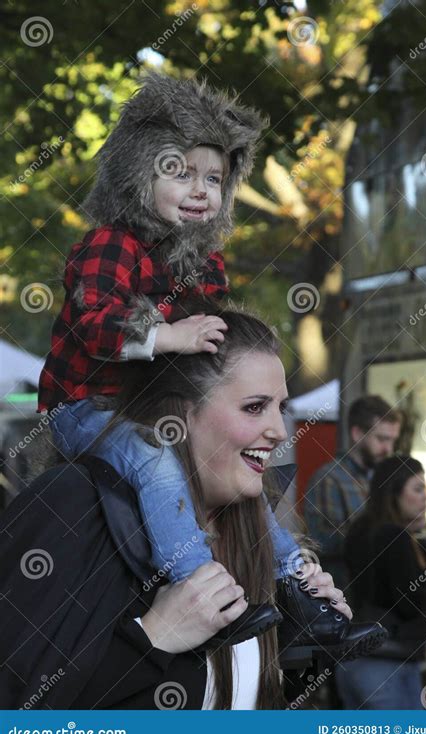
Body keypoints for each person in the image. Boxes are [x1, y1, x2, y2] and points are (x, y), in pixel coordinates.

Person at [37, 72, 307, 646]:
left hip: (147, 402)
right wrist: (166, 336)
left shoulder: (205, 265)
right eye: (178, 171)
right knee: (153, 454)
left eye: (213, 178)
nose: (199, 189)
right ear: (140, 174)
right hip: (84, 404)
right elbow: (93, 325)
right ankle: (198, 589)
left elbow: (212, 349)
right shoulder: (110, 244)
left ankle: (298, 584)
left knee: (243, 473)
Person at [1, 307, 357, 710]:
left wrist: (300, 644)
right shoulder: (74, 504)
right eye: (255, 407)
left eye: (281, 408)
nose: (278, 432)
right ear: (181, 417)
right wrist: (153, 637)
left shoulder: (246, 530)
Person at [335, 455, 426, 710]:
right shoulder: (396, 536)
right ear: (394, 492)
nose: (425, 498)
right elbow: (410, 601)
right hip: (388, 664)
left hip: (354, 661)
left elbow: (381, 580)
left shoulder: (360, 529)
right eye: (417, 489)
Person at [304, 395, 401, 589]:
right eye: (382, 439)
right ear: (357, 434)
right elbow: (321, 543)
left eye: (393, 441)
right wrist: (378, 536)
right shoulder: (329, 479)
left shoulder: (381, 477)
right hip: (346, 593)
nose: (388, 449)